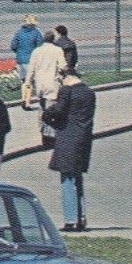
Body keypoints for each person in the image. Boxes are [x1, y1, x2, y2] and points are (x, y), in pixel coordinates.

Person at [44, 68, 96, 231]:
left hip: (68, 137)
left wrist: (48, 115)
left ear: (65, 77)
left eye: (60, 80)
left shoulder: (67, 90)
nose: (60, 83)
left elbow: (58, 111)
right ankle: (81, 218)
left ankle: (70, 219)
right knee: (77, 177)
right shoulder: (89, 92)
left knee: (67, 178)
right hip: (83, 138)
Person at [25, 29, 67, 147]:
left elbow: (31, 68)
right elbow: (63, 66)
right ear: (53, 39)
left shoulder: (36, 51)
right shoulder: (58, 50)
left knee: (42, 108)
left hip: (41, 85)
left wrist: (28, 82)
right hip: (53, 85)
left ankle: (43, 132)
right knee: (52, 110)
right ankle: (50, 136)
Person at [10, 14, 44, 84]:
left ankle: (24, 94)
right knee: (33, 82)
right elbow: (40, 47)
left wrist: (19, 52)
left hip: (20, 60)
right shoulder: (36, 32)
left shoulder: (19, 32)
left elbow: (13, 46)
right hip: (31, 61)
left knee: (23, 81)